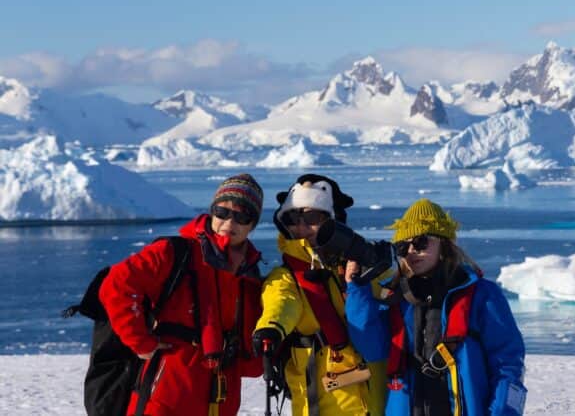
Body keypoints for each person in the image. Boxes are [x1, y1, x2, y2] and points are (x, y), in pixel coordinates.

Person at [99, 173, 266, 416]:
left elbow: (251, 351)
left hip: (221, 391)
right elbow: (117, 283)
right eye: (222, 212)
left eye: (242, 217)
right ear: (212, 212)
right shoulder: (175, 252)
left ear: (252, 225)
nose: (229, 223)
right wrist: (140, 341)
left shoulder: (249, 273)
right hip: (170, 384)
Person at [345, 199, 527, 416]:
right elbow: (372, 348)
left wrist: (501, 413)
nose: (412, 251)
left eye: (421, 242)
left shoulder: (482, 295)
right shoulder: (396, 298)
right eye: (403, 246)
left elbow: (507, 364)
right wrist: (357, 289)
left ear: (444, 243)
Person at [252, 174, 386, 416]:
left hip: (373, 387)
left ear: (332, 220)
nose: (301, 227)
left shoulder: (357, 264)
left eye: (312, 217)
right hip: (321, 396)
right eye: (292, 219)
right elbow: (281, 303)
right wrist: (271, 328)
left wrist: (381, 265)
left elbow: (389, 297)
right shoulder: (286, 276)